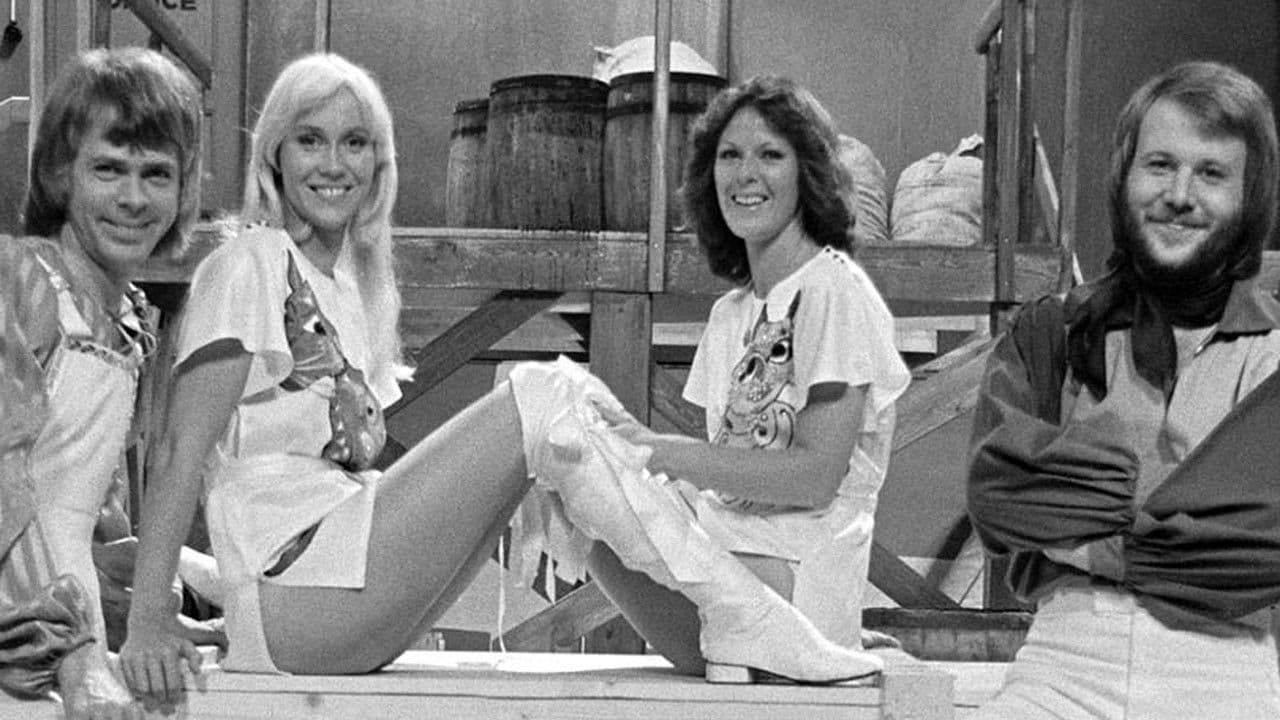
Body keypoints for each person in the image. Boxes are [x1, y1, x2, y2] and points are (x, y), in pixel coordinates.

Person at [121, 55, 892, 708]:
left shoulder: (350, 285)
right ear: (274, 154)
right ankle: (744, 614)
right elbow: (181, 449)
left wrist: (536, 476)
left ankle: (750, 617)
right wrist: (150, 615)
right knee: (546, 393)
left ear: (379, 162)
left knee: (569, 426)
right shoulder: (250, 261)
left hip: (325, 586)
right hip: (300, 590)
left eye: (355, 142)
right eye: (309, 140)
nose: (333, 164)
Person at [967, 60, 1280, 718]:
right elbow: (999, 495)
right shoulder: (1049, 332)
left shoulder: (1275, 354)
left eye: (1211, 173)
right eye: (1159, 165)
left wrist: (1091, 506)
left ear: (1250, 197)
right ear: (1124, 176)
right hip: (1064, 661)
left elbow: (1262, 551)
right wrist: (1182, 518)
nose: (1179, 194)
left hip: (1226, 668)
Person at [577, 73, 912, 678]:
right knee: (577, 486)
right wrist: (629, 452)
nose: (745, 175)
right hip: (736, 560)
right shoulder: (729, 315)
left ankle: (816, 644)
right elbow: (731, 475)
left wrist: (665, 455)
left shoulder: (833, 290)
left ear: (809, 173)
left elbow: (814, 478)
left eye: (770, 155)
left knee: (580, 467)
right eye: (729, 156)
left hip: (796, 582)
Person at [0, 47, 206, 720]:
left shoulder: (130, 322)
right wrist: (79, 663)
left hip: (62, 643)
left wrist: (166, 594)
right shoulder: (17, 282)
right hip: (34, 650)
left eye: (157, 174)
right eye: (109, 169)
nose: (134, 198)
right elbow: (6, 494)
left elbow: (78, 515)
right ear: (60, 173)